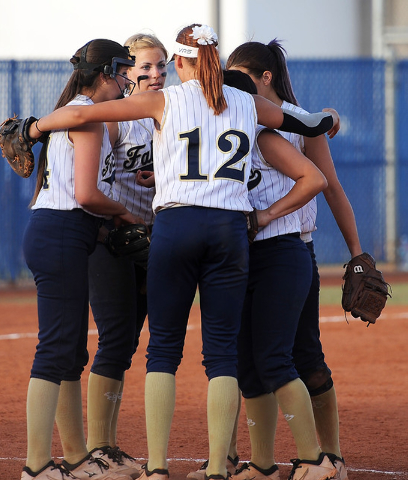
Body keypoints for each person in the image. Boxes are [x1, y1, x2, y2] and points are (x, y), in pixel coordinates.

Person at [27, 23, 338, 480]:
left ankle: (156, 468)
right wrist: (329, 117)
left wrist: (35, 127)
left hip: (175, 226)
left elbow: (80, 116)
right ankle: (218, 467)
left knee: (162, 352)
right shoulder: (248, 103)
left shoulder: (164, 100)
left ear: (179, 62)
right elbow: (309, 124)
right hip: (230, 230)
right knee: (225, 357)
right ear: (217, 59)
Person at [226, 39, 361, 480]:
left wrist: (357, 254)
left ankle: (331, 457)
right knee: (246, 357)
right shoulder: (238, 116)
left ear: (266, 77)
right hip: (246, 251)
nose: (236, 85)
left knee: (303, 356)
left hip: (292, 247)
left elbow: (332, 187)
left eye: (244, 76)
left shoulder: (300, 124)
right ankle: (259, 462)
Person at [20, 39, 144, 480]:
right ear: (106, 73)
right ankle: (36, 465)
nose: (129, 78)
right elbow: (88, 194)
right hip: (62, 232)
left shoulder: (78, 110)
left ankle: (75, 457)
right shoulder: (88, 118)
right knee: (55, 350)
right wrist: (126, 212)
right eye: (124, 71)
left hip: (64, 232)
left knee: (71, 351)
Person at [84, 33, 168, 479]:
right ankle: (98, 447)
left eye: (161, 67)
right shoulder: (118, 119)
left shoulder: (171, 110)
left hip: (158, 243)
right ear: (126, 72)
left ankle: (108, 446)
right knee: (116, 339)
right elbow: (95, 179)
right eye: (144, 68)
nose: (155, 75)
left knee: (135, 343)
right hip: (115, 242)